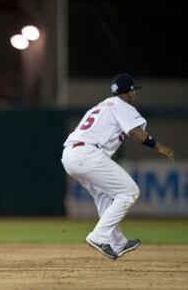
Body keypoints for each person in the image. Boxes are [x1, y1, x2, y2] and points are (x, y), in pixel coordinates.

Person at [61, 73, 175, 259]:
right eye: (133, 91)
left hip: (70, 155)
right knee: (129, 192)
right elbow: (136, 133)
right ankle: (98, 236)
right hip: (88, 154)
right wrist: (159, 146)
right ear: (130, 93)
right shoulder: (122, 105)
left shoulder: (101, 105)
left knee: (104, 197)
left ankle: (118, 243)